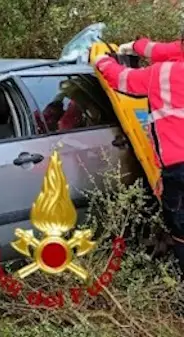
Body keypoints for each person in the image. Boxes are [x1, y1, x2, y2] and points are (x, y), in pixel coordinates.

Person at [93, 42, 184, 274]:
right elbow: (165, 50)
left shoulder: (163, 73)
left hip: (178, 166)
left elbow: (122, 80)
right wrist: (137, 46)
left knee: (181, 230)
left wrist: (101, 60)